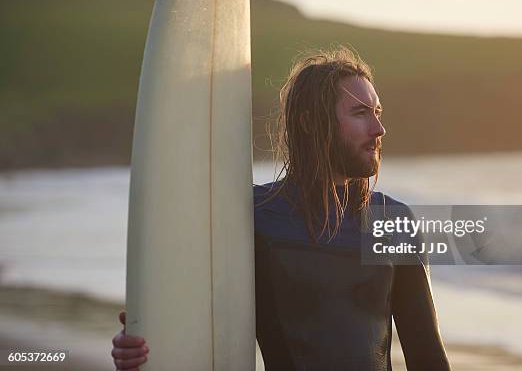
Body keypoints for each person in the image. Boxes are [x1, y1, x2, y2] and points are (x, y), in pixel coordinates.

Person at [111, 47, 451, 370]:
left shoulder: (394, 223)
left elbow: (429, 359)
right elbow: (187, 321)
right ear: (309, 123)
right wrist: (140, 346)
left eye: (377, 113)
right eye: (360, 113)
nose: (379, 129)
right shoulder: (253, 217)